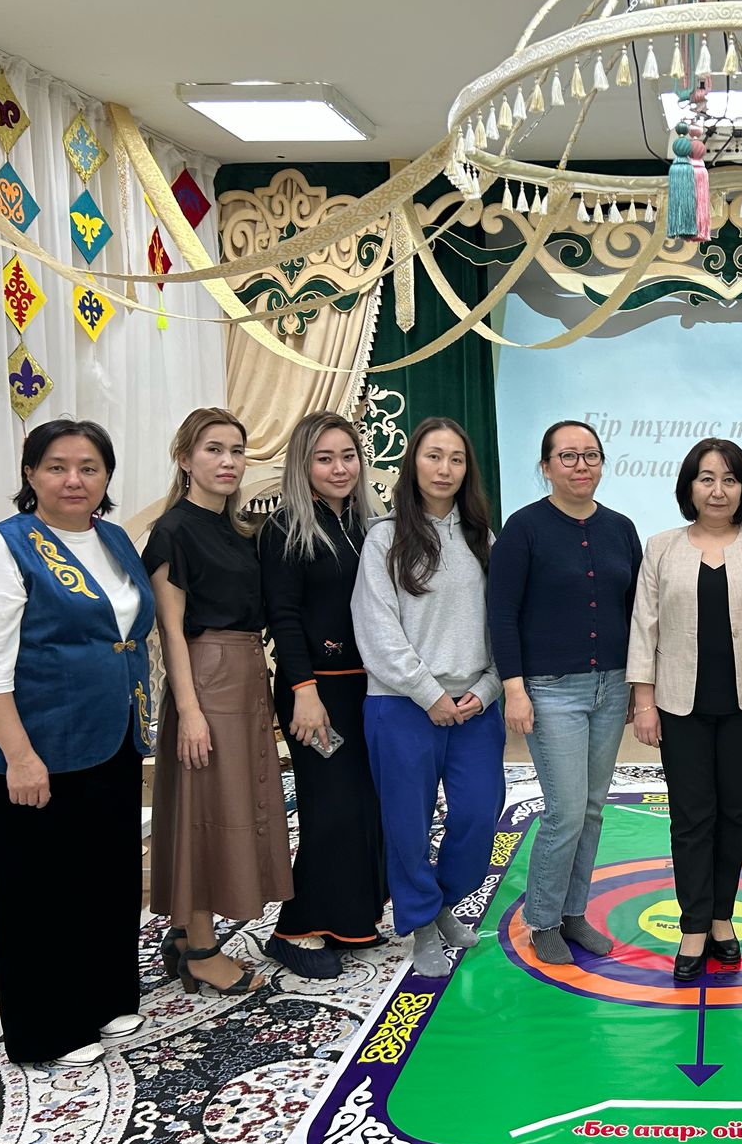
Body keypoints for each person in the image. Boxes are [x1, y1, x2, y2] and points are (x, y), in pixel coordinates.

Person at [0, 420, 152, 1065]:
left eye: (89, 467)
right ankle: (48, 1030)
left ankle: (105, 997)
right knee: (41, 892)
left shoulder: (113, 538)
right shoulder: (2, 549)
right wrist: (19, 756)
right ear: (30, 474)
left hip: (111, 737)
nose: (74, 480)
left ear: (106, 476)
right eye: (57, 466)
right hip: (36, 748)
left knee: (106, 875)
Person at [628, 439, 742, 982]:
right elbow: (644, 627)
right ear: (689, 487)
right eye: (706, 478)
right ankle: (693, 925)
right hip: (680, 706)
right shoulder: (661, 546)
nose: (718, 490)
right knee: (690, 816)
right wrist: (643, 702)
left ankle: (722, 917)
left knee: (734, 813)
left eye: (729, 479)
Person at [144, 407, 291, 996]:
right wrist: (190, 711)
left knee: (232, 803)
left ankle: (185, 934)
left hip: (246, 674)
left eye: (236, 450)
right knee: (206, 811)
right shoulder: (172, 531)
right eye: (213, 449)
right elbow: (170, 631)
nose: (228, 461)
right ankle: (203, 951)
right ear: (185, 459)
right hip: (205, 679)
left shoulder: (239, 529)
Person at [353, 417, 504, 978]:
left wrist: (486, 689)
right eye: (433, 456)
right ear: (412, 462)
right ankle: (420, 923)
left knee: (479, 814)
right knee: (407, 823)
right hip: (400, 705)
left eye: (456, 459)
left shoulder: (485, 538)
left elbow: (503, 626)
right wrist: (427, 693)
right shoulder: (385, 538)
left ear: (468, 470)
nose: (445, 469)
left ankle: (441, 901)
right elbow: (377, 628)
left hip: (474, 707)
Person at [488, 420, 642, 965]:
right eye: (568, 456)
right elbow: (502, 613)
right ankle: (543, 920)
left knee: (593, 809)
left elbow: (636, 612)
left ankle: (574, 913)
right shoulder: (524, 528)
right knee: (565, 810)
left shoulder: (621, 528)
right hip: (550, 692)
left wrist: (637, 685)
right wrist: (514, 688)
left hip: (611, 687)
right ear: (546, 466)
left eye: (591, 455)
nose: (581, 466)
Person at [258, 413, 386, 978]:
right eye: (325, 458)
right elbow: (284, 618)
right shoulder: (285, 528)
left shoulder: (366, 524)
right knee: (329, 808)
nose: (339, 468)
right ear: (302, 465)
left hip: (368, 687)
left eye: (347, 456)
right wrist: (304, 692)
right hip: (315, 691)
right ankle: (296, 929)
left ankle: (351, 921)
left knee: (364, 805)